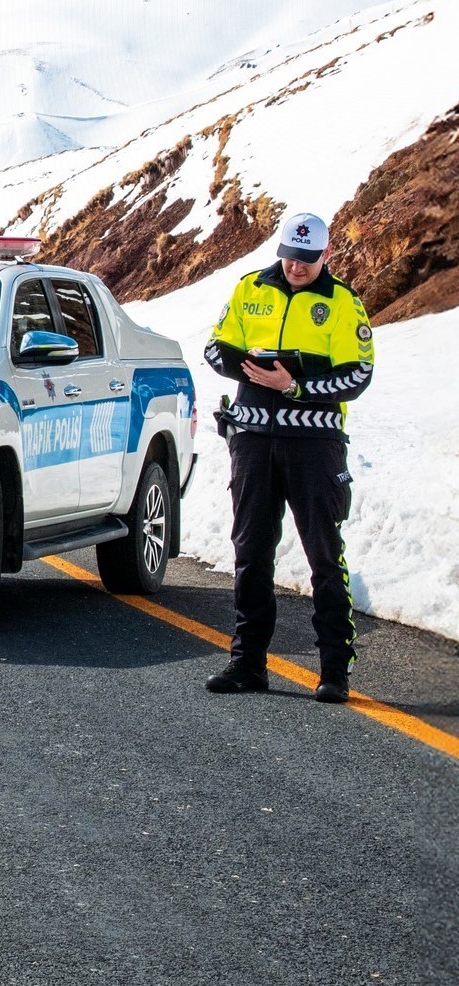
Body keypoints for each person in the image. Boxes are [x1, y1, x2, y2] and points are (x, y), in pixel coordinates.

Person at [203, 211, 375, 703]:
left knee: (323, 555)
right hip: (254, 440)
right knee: (250, 552)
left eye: (307, 259)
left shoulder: (342, 303)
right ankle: (247, 664)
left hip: (315, 448)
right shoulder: (250, 288)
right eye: (289, 256)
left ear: (326, 255)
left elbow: (357, 374)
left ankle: (334, 672)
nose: (296, 267)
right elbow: (216, 349)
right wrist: (250, 368)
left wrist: (295, 385)